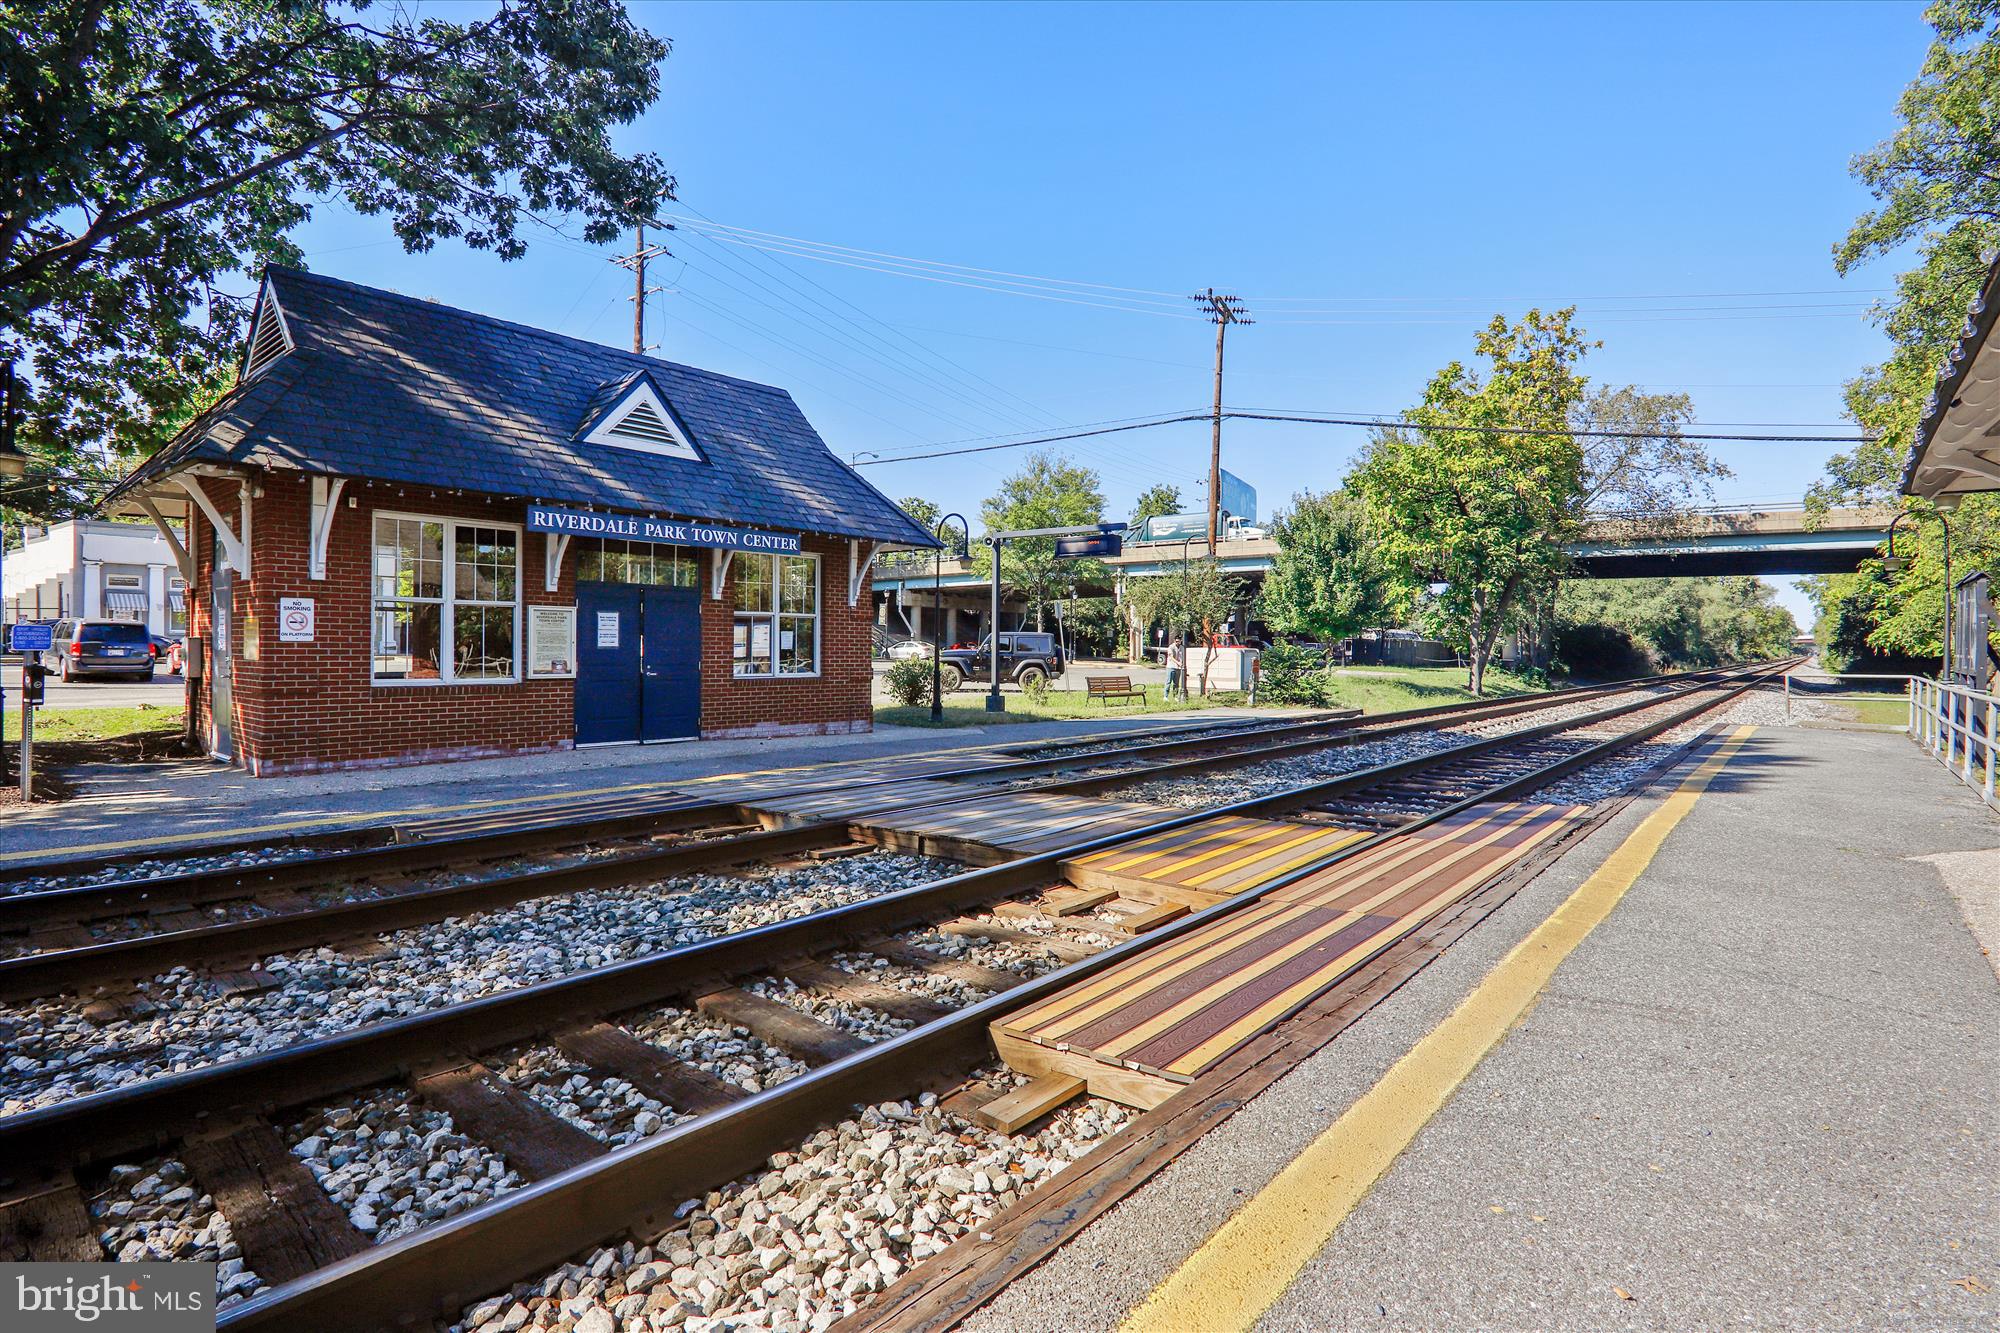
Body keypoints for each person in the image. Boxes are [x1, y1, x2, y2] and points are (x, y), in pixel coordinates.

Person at [1166, 634, 1186, 700]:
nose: (1177, 643)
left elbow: (1182, 657)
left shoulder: (1182, 648)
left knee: (1176, 683)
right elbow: (1171, 657)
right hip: (1171, 666)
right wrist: (1178, 663)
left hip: (1178, 668)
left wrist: (1181, 663)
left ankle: (1175, 696)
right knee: (1168, 682)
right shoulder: (1171, 647)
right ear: (1174, 641)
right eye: (1176, 641)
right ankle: (1166, 696)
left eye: (1179, 641)